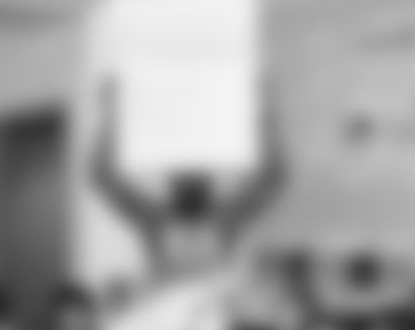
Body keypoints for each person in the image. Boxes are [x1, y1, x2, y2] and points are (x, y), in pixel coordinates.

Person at [91, 82, 286, 281]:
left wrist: (265, 110)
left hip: (211, 296)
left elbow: (272, 178)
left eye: (193, 176)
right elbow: (104, 178)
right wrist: (111, 114)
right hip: (172, 298)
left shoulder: (221, 219)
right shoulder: (160, 221)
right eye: (186, 177)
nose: (190, 183)